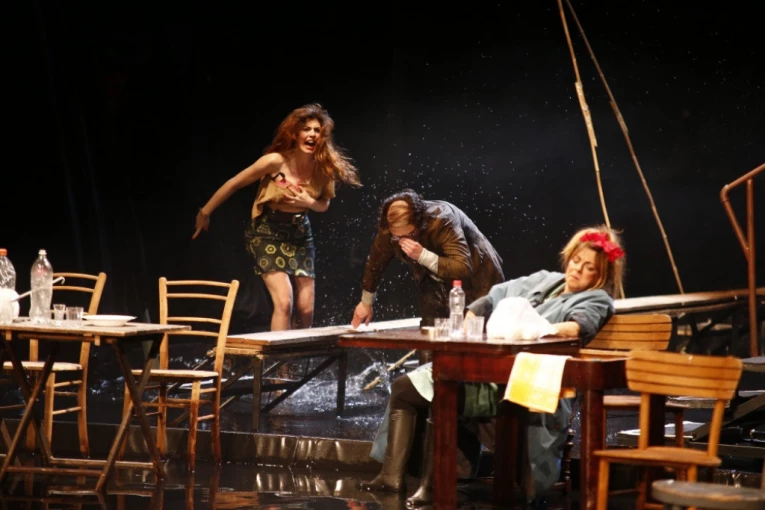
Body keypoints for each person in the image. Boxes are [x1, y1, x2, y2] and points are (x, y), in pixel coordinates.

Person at [360, 225, 625, 507]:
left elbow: (577, 327)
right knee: (405, 387)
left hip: (529, 382)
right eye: (576, 260)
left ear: (601, 275)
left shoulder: (597, 299)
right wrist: (470, 316)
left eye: (588, 268)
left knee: (444, 389)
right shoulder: (547, 281)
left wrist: (533, 329)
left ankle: (438, 485)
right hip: (491, 369)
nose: (577, 269)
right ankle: (392, 478)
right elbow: (495, 296)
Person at [193, 104, 361, 330]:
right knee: (284, 302)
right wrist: (205, 212)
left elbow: (324, 205)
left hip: (300, 234)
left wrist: (309, 202)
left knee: (306, 309)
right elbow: (234, 183)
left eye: (317, 130)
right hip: (266, 232)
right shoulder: (275, 161)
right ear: (295, 133)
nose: (312, 134)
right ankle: (281, 354)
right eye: (306, 129)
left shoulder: (324, 168)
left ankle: (299, 352)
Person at [351, 189, 504, 328]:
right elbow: (376, 263)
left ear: (419, 224)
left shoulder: (442, 219)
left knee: (475, 332)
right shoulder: (390, 228)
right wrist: (366, 302)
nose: (404, 240)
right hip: (434, 277)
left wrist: (422, 255)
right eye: (398, 237)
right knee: (431, 330)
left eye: (410, 235)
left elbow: (462, 267)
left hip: (478, 276)